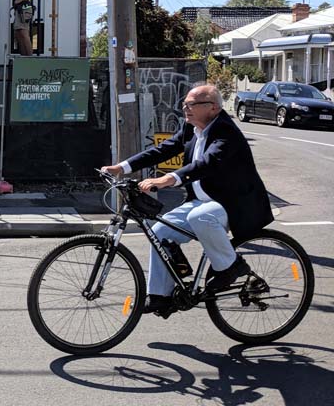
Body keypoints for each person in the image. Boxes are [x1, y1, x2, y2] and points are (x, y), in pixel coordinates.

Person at [101, 83, 273, 316]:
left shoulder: (226, 131)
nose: (186, 108)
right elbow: (164, 149)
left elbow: (207, 163)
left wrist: (168, 179)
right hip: (202, 201)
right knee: (159, 231)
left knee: (199, 217)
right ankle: (160, 296)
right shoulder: (191, 128)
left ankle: (231, 267)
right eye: (185, 104)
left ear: (212, 107)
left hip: (232, 203)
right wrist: (121, 167)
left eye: (192, 104)